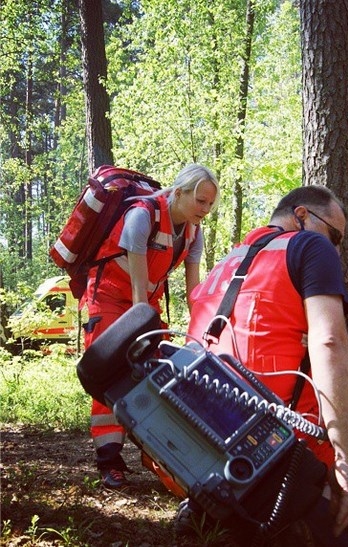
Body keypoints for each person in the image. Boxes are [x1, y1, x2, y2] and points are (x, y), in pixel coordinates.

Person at [187, 185, 348, 546]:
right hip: (277, 435)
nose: (337, 249)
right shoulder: (309, 246)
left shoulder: (229, 261)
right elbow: (330, 342)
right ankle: (338, 522)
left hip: (204, 436)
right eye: (336, 236)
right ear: (302, 216)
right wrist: (344, 459)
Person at [83, 163, 219, 489]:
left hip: (145, 301)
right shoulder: (143, 215)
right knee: (110, 375)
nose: (206, 209)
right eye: (200, 201)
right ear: (179, 191)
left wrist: (204, 332)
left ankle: (154, 451)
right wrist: (143, 326)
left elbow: (194, 292)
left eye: (210, 204)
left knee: (156, 376)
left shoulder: (193, 232)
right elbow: (136, 294)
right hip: (111, 297)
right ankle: (109, 461)